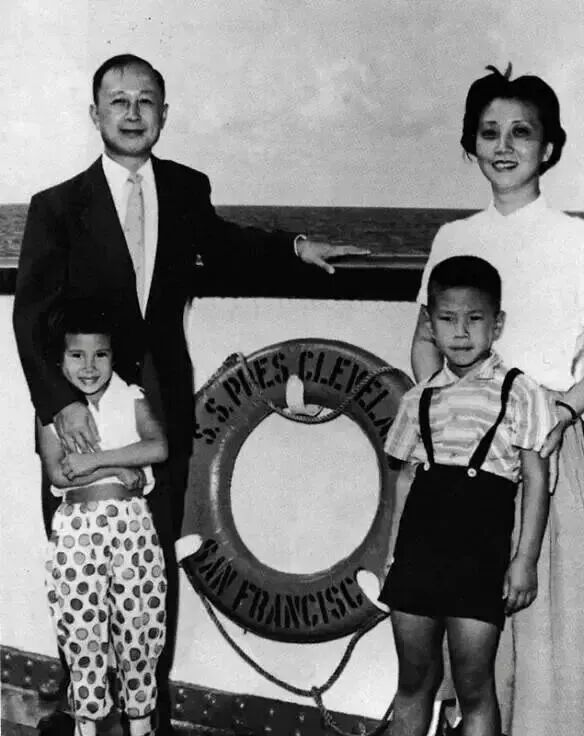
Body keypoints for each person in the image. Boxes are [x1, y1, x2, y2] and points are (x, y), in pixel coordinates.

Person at [12, 53, 366, 736]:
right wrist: (60, 403)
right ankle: (85, 707)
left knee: (150, 562)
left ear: (165, 115)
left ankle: (146, 710)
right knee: (80, 564)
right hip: (79, 407)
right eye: (118, 100)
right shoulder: (57, 206)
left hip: (158, 400)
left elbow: (226, 243)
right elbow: (30, 317)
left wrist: (295, 246)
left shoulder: (183, 187)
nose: (132, 112)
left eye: (146, 100)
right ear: (95, 115)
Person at [411, 66, 584, 736]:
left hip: (543, 452)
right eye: (489, 133)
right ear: (471, 145)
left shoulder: (581, 239)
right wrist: (441, 413)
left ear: (549, 147)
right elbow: (423, 343)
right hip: (463, 463)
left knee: (545, 623)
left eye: (521, 132)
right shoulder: (452, 238)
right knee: (467, 634)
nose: (503, 147)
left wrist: (557, 416)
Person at [380, 256, 553, 736]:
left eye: (474, 319)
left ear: (497, 324)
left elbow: (536, 479)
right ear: (429, 324)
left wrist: (524, 560)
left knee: (474, 687)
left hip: (479, 558)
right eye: (447, 319)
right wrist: (392, 555)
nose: (460, 332)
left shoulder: (521, 392)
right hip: (417, 554)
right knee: (413, 681)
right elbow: (405, 479)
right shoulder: (418, 398)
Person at [39, 300, 168, 736]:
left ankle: (141, 723)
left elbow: (157, 447)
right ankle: (87, 725)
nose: (90, 366)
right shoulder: (52, 413)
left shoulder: (131, 398)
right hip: (77, 530)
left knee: (140, 621)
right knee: (81, 627)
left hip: (132, 525)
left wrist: (100, 460)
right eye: (77, 355)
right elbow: (60, 473)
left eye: (101, 354)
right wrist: (117, 470)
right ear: (60, 361)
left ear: (114, 356)